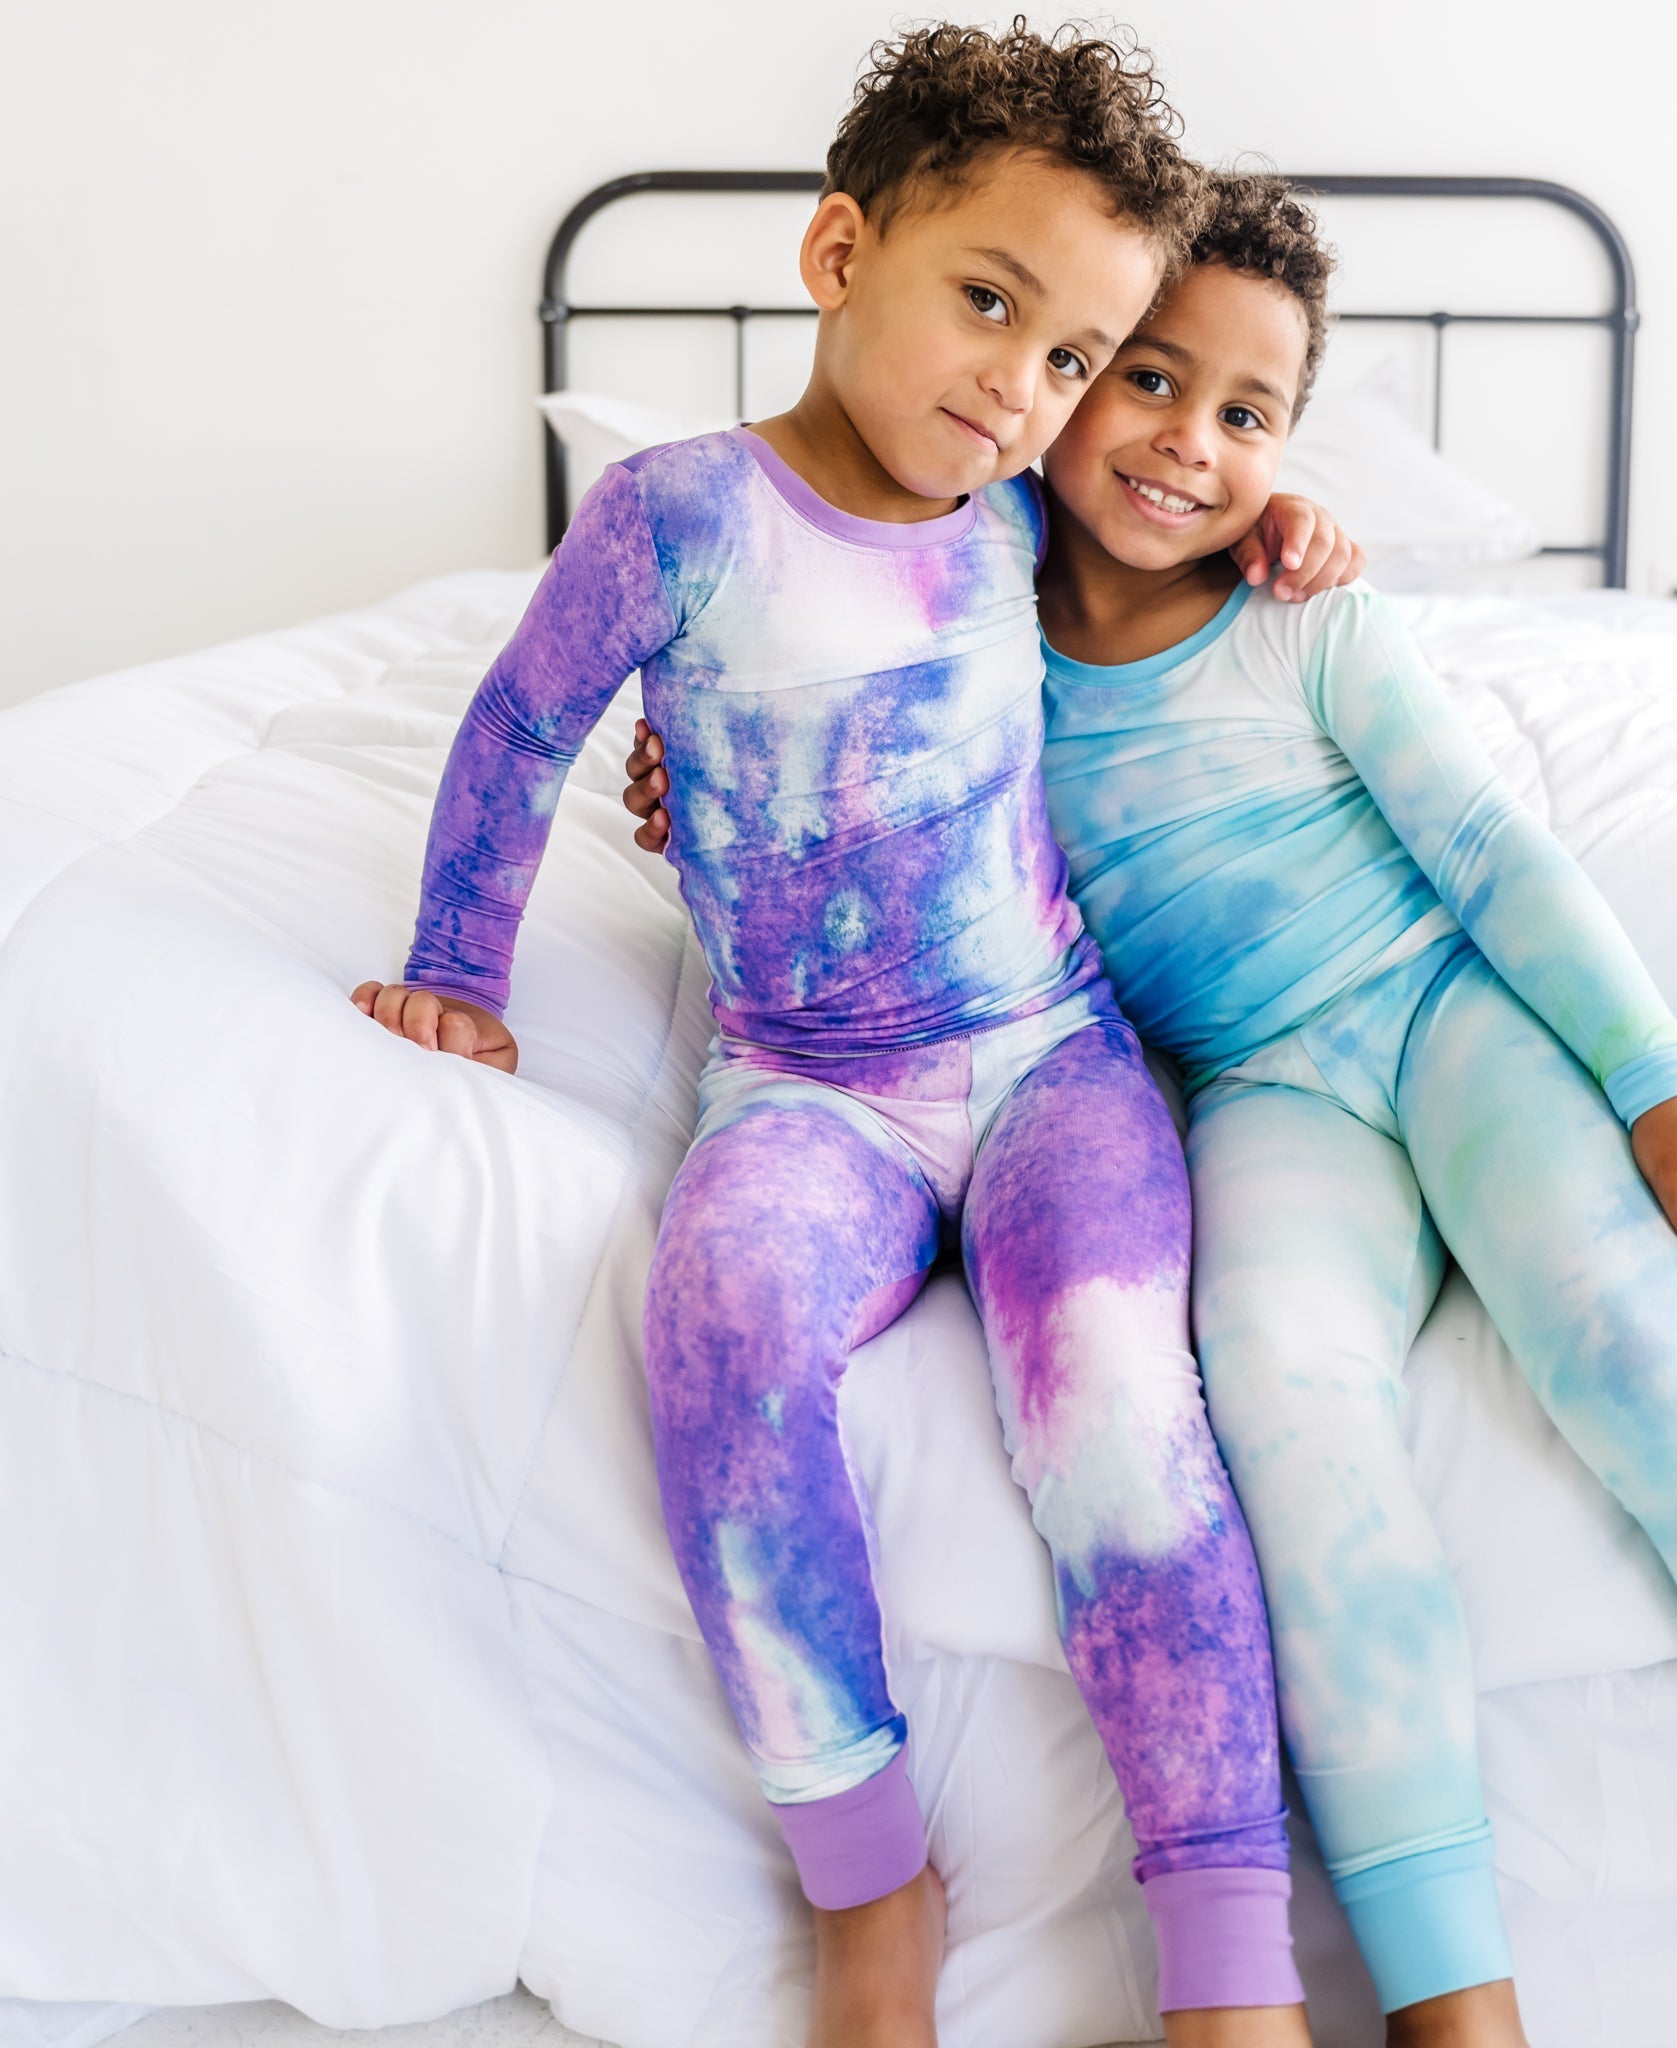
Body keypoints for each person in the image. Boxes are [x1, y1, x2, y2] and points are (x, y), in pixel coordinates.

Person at [629, 172, 1677, 2048]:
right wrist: (709, 756)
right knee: (1291, 1439)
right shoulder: (965, 625)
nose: (1187, 443)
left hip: (1452, 1022)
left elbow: (1496, 852)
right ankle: (1455, 2005)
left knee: (1644, 1361)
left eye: (1249, 415)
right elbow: (836, 730)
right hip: (1261, 1093)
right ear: (1061, 377)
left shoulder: (1306, 617)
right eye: (1146, 379)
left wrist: (1664, 1082)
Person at [352, 30, 1365, 2048]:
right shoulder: (675, 517)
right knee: (718, 1324)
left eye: (1075, 357)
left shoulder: (1025, 512)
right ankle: (869, 1879)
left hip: (1054, 1060)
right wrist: (460, 964)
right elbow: (525, 727)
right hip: (811, 1085)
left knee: (1118, 1409)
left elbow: (1172, 514)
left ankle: (1227, 1953)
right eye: (988, 302)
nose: (1023, 387)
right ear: (837, 255)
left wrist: (1282, 517)